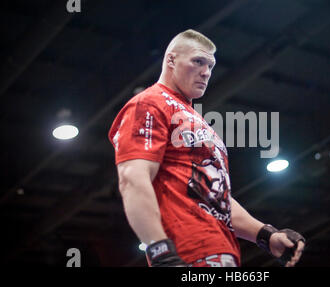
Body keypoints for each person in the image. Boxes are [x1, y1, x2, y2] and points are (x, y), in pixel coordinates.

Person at [108, 29, 305, 267]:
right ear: (171, 60)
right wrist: (161, 251)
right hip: (187, 253)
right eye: (198, 61)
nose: (206, 72)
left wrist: (265, 234)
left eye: (210, 66)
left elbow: (215, 195)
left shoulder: (196, 119)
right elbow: (132, 179)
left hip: (219, 251)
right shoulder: (149, 103)